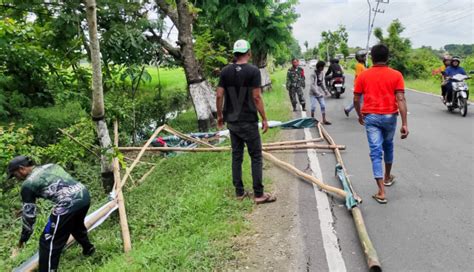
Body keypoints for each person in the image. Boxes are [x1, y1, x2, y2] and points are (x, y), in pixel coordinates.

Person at [7, 155, 95, 271]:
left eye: (15, 175)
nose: (16, 178)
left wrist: (23, 239)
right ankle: (88, 249)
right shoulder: (51, 166)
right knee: (74, 225)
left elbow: (29, 217)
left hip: (68, 204)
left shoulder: (27, 185)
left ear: (22, 169)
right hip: (83, 194)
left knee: (47, 241)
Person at [216, 39, 276, 204]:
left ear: (234, 53)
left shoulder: (225, 71)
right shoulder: (253, 71)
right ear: (249, 53)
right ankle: (258, 194)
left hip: (232, 122)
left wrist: (220, 116)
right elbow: (256, 97)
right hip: (248, 121)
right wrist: (264, 118)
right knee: (255, 156)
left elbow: (219, 95)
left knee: (237, 156)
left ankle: (239, 192)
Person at [354, 44, 409, 204]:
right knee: (388, 145)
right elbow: (400, 99)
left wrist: (359, 114)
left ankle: (381, 191)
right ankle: (387, 177)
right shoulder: (396, 75)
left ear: (371, 57)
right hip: (390, 117)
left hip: (371, 117)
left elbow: (356, 99)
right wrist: (405, 123)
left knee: (375, 152)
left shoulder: (363, 75)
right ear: (387, 58)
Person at [344, 50, 368, 116]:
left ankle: (348, 109)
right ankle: (361, 114)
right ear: (361, 58)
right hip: (360, 85)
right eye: (364, 57)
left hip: (362, 85)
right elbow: (359, 76)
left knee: (359, 100)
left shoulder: (362, 65)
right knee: (361, 100)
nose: (365, 58)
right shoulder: (359, 66)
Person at [309, 61, 332, 125]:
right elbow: (312, 85)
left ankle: (324, 120)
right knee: (313, 107)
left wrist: (325, 91)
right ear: (319, 67)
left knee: (323, 105)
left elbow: (321, 83)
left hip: (319, 92)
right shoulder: (312, 74)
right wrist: (317, 93)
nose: (323, 68)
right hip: (313, 93)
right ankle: (311, 120)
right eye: (322, 67)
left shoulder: (322, 73)